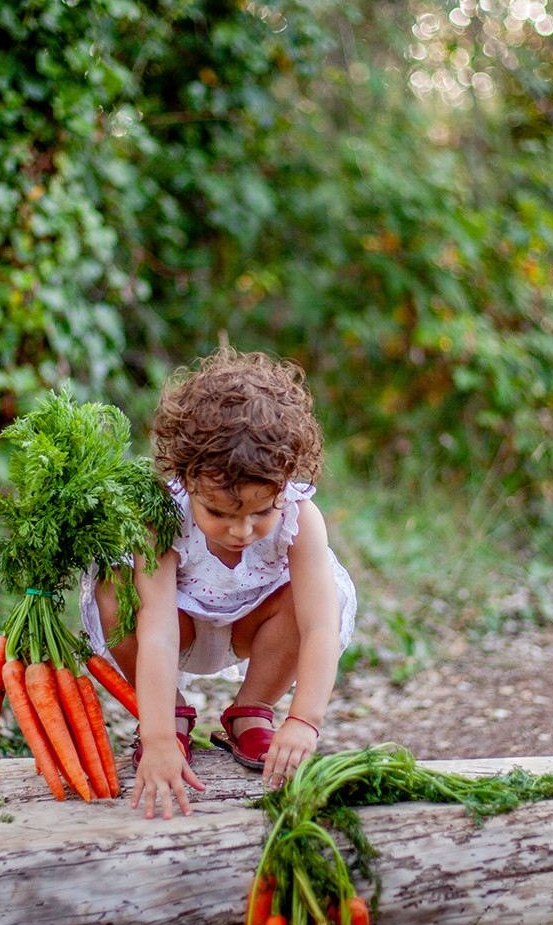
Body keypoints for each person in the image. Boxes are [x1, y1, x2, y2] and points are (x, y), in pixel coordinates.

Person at [79, 349, 357, 819]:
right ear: (187, 481)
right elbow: (160, 633)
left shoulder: (300, 520)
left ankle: (250, 710)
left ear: (285, 483)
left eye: (260, 511)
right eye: (220, 513)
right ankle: (169, 712)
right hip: (180, 624)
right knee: (116, 588)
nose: (242, 530)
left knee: (311, 595)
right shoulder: (163, 520)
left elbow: (318, 630)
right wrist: (158, 737)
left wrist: (304, 722)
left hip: (257, 624)